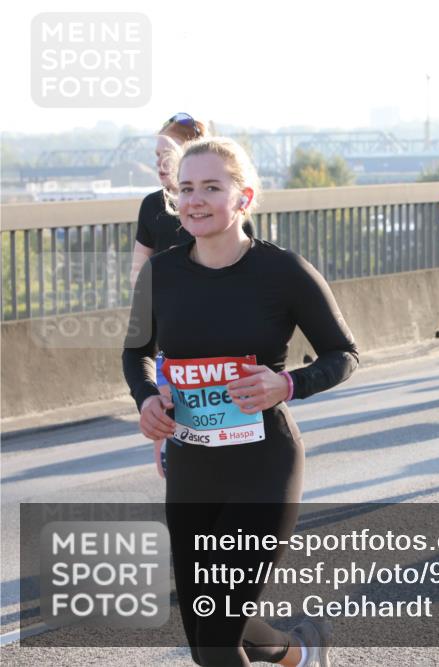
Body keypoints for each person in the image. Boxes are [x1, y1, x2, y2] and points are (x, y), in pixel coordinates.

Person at [123, 137, 359, 665]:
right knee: (209, 614)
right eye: (186, 188)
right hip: (192, 468)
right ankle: (301, 652)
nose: (195, 200)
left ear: (244, 197)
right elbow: (134, 353)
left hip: (263, 468)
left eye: (211, 187)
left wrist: (288, 385)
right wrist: (145, 400)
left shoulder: (283, 272)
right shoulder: (160, 274)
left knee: (213, 648)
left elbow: (344, 354)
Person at [130, 113, 256, 479]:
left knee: (219, 436)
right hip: (172, 336)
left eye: (164, 154)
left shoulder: (226, 209)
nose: (158, 163)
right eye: (155, 155)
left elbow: (247, 268)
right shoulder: (152, 205)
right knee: (169, 428)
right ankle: (175, 474)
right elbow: (139, 270)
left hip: (220, 341)